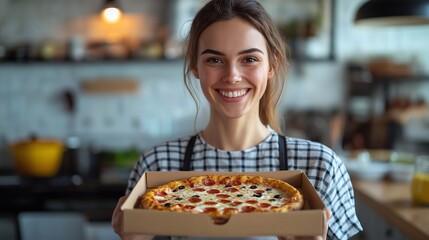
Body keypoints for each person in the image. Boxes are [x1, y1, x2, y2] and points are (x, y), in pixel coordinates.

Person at [112, 0, 362, 239]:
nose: (232, 76)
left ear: (272, 64)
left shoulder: (320, 167)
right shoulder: (158, 165)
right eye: (214, 60)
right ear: (195, 67)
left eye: (249, 59)